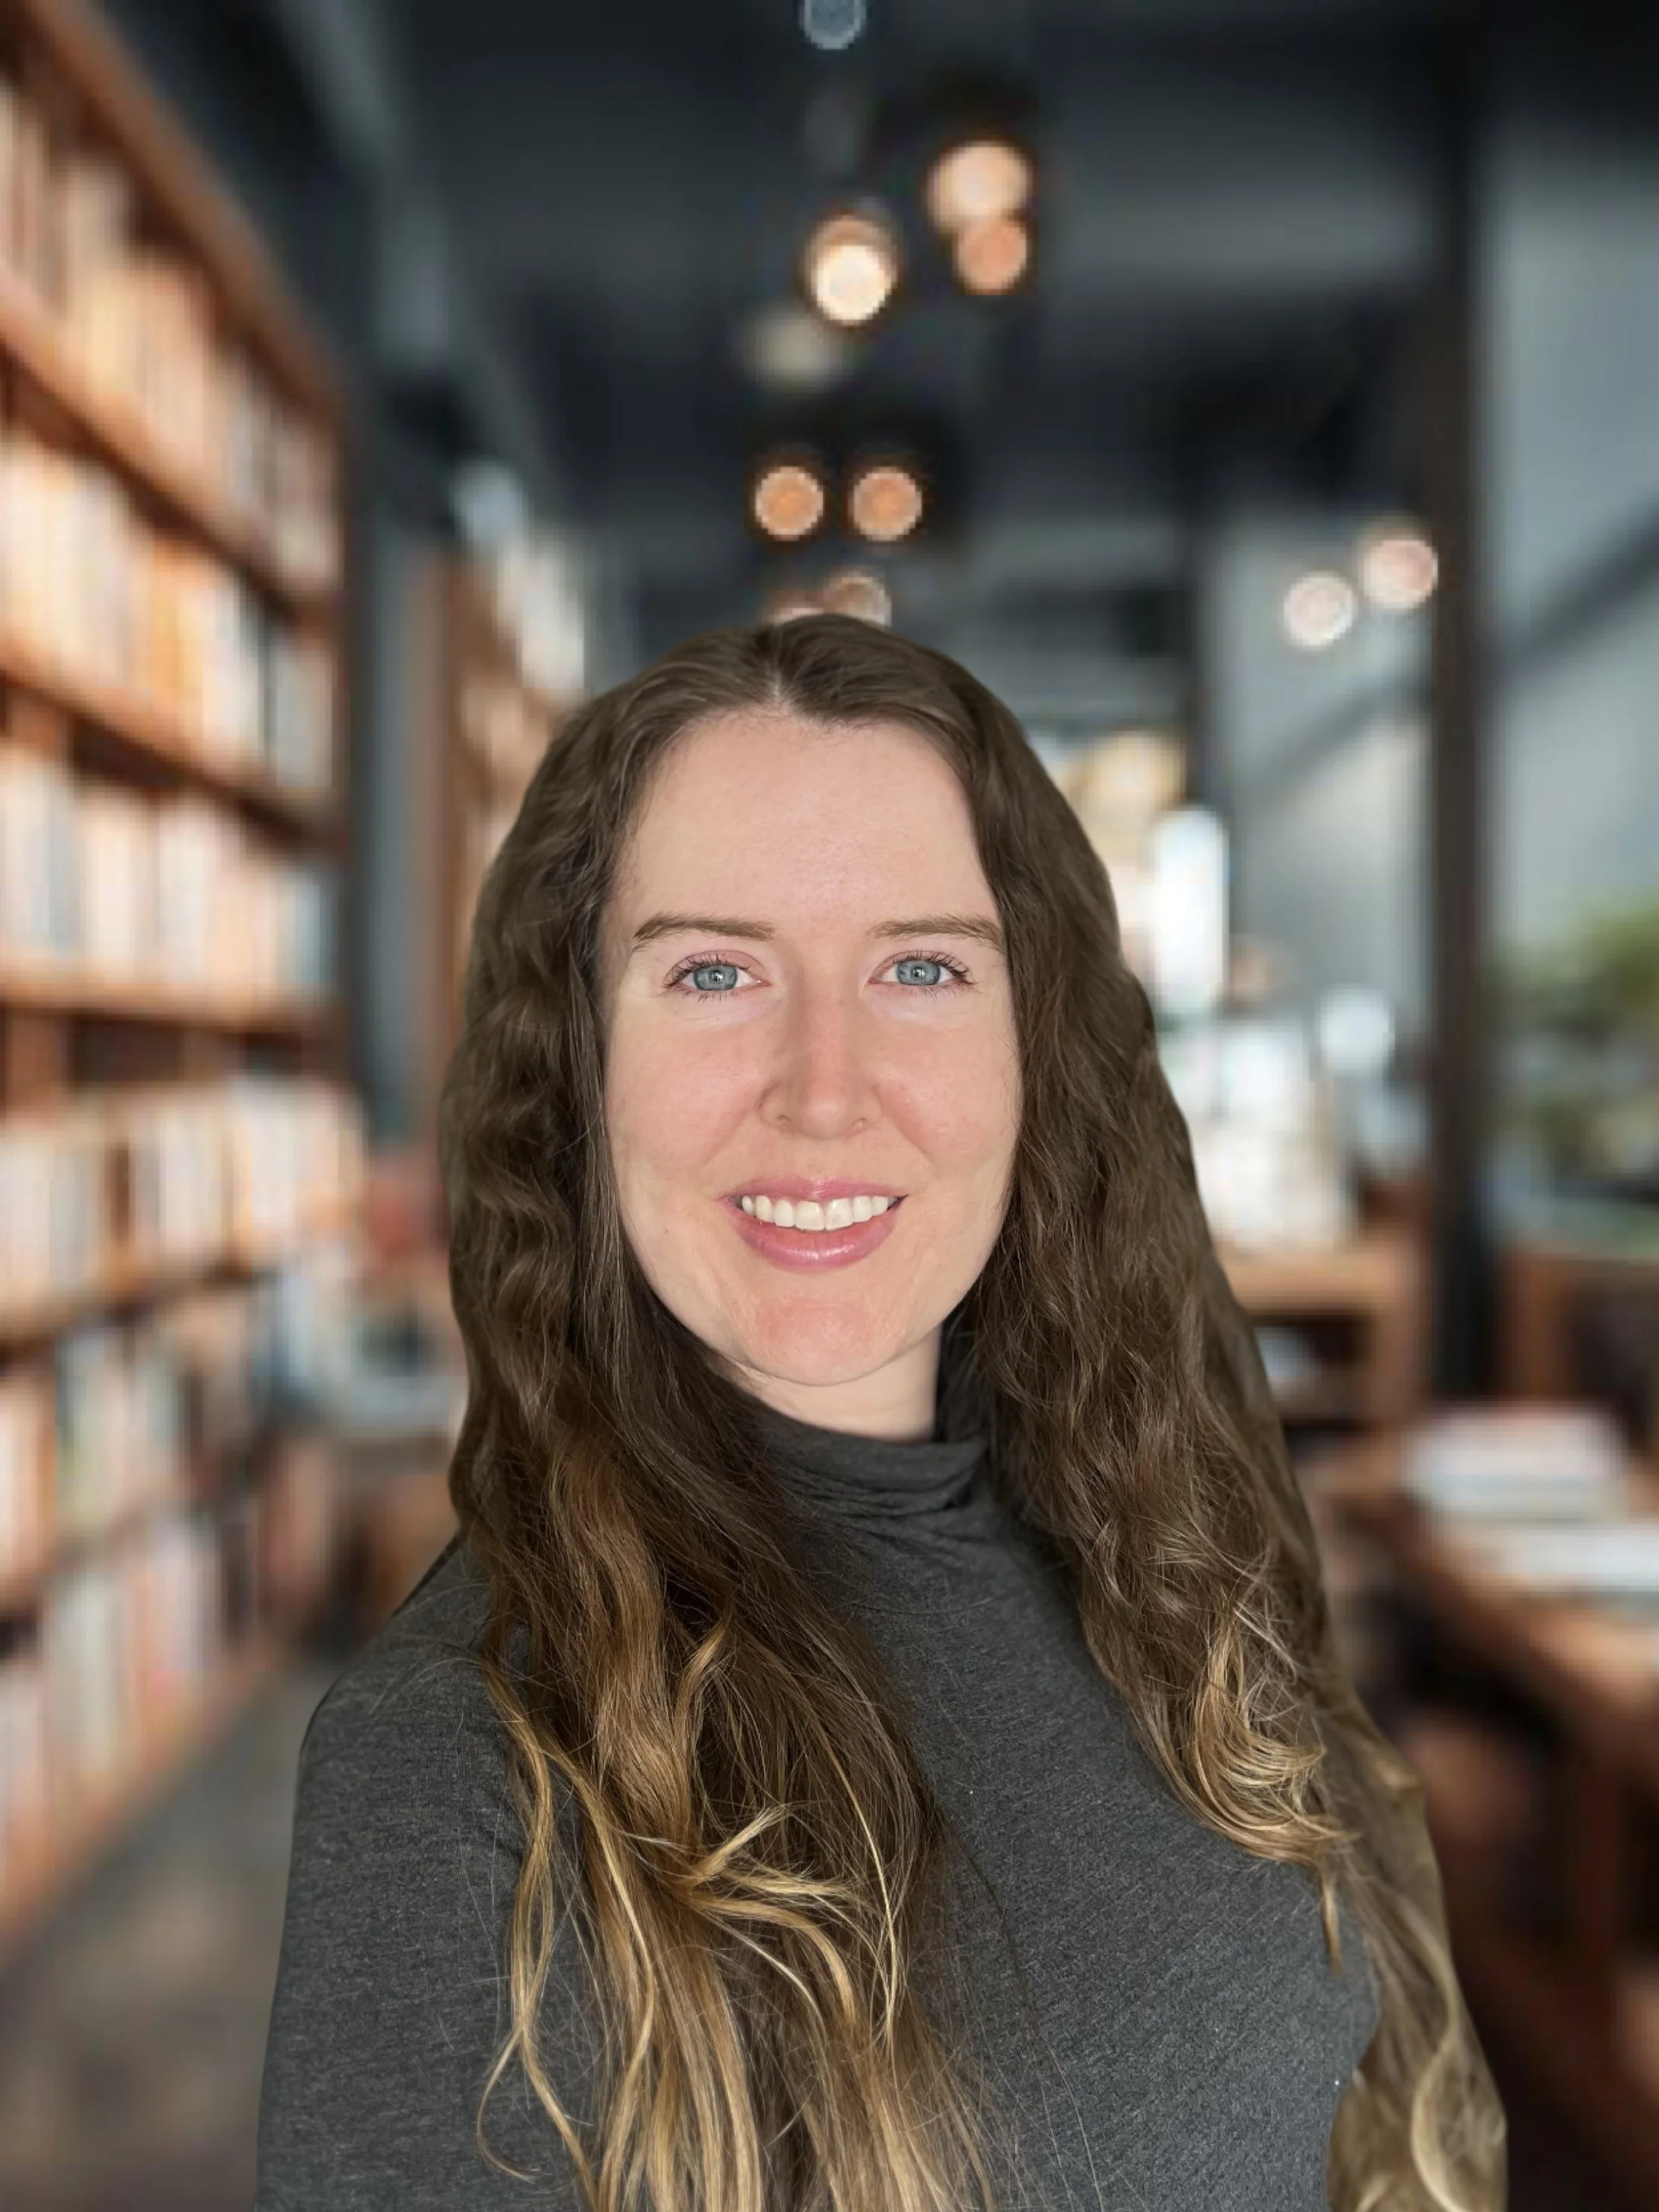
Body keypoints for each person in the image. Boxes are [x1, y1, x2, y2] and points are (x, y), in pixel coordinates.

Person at [254, 614, 1506, 2212]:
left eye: (920, 966)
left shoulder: (1150, 1547)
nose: (824, 1088)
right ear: (578, 1058)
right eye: (711, 970)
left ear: (1033, 1044)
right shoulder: (460, 1773)